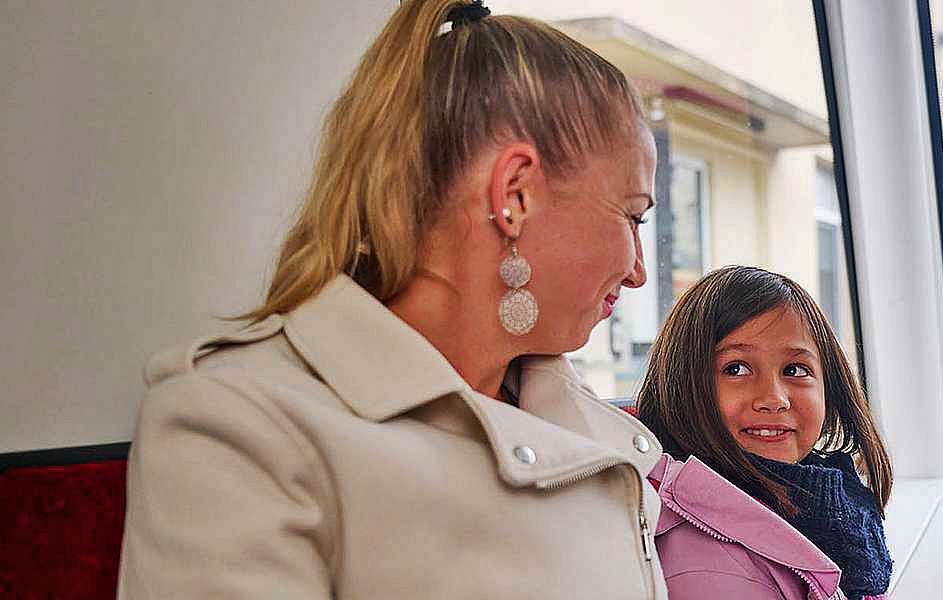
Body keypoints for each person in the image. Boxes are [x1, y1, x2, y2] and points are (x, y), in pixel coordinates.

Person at [118, 2, 669, 597]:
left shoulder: (575, 412)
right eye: (632, 216)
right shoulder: (240, 426)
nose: (638, 271)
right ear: (515, 195)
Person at [635, 266, 894, 600]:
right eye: (736, 369)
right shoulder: (701, 560)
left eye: (795, 370)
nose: (774, 399)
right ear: (682, 387)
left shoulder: (839, 511)